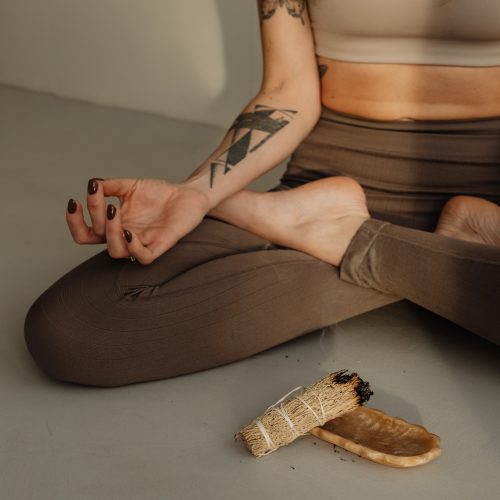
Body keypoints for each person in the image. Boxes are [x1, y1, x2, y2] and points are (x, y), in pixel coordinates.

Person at [24, 0, 500, 387]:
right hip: (325, 179)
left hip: (489, 186)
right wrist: (197, 193)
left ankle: (357, 240)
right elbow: (287, 90)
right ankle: (449, 262)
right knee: (73, 331)